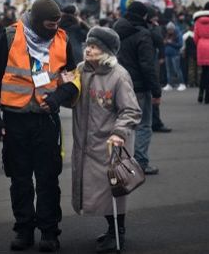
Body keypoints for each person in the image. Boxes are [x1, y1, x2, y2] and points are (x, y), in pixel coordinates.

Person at [0, 0, 76, 252]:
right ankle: (24, 230)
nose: (53, 29)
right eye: (49, 25)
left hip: (46, 122)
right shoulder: (11, 36)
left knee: (48, 179)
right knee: (20, 178)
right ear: (36, 22)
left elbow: (72, 79)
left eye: (57, 24)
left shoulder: (63, 39)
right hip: (15, 120)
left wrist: (58, 98)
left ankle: (49, 232)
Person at [44, 26, 142, 253]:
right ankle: (111, 230)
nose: (89, 50)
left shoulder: (119, 75)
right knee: (98, 191)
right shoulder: (81, 70)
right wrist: (65, 87)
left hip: (110, 144)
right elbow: (73, 102)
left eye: (95, 46)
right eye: (88, 45)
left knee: (114, 190)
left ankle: (119, 233)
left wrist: (119, 133)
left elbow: (131, 111)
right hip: (86, 144)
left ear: (107, 51)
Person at [113, 1, 162, 175]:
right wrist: (156, 90)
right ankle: (140, 162)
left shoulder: (115, 30)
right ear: (144, 16)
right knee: (142, 124)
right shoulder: (142, 34)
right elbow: (147, 65)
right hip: (139, 86)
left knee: (121, 123)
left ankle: (120, 160)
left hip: (117, 84)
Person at [147, 6, 172, 133]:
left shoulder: (127, 27)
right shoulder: (152, 29)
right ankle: (155, 122)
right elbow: (159, 42)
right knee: (153, 93)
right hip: (148, 63)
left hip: (130, 66)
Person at [162, 22, 186, 91]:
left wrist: (170, 43)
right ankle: (170, 84)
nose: (169, 31)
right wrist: (165, 42)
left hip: (175, 55)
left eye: (170, 29)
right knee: (168, 71)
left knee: (177, 70)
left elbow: (180, 44)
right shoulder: (167, 34)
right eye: (168, 30)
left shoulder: (178, 34)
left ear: (173, 29)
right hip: (167, 54)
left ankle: (182, 84)